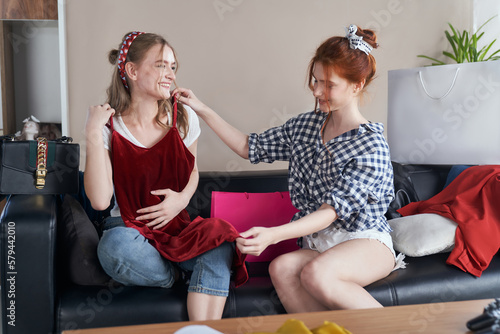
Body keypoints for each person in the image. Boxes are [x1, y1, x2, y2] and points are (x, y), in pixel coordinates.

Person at [174, 25, 404, 312]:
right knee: (281, 267)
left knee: (317, 274)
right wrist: (202, 109)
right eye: (315, 80)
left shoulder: (370, 146)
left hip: (364, 240)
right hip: (321, 242)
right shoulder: (306, 126)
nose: (318, 91)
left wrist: (272, 234)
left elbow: (328, 213)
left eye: (329, 85)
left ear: (357, 85)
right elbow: (249, 147)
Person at [84, 31, 247, 321]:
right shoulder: (109, 127)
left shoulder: (183, 117)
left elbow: (191, 171)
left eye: (173, 67)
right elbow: (98, 201)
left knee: (220, 238)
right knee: (113, 248)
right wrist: (92, 134)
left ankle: (202, 329)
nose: (170, 74)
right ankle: (175, 273)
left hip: (175, 227)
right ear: (132, 71)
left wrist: (181, 200)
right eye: (161, 65)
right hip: (129, 231)